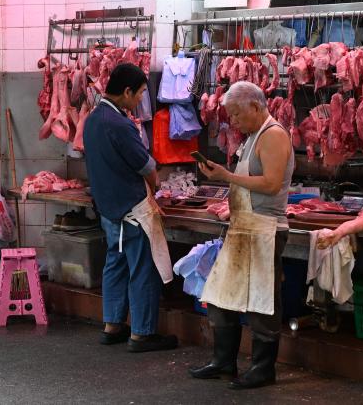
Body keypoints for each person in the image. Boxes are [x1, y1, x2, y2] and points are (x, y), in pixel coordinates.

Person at [189, 81, 294, 389]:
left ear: (255, 106)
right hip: (243, 228)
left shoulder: (273, 135)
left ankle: (263, 368)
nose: (232, 122)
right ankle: (223, 362)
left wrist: (226, 175)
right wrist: (224, 177)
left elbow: (272, 184)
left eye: (236, 114)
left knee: (262, 301)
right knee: (221, 296)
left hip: (264, 229)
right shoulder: (251, 138)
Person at [83, 63, 178, 353]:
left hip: (108, 207)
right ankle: (142, 334)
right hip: (131, 208)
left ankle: (112, 325)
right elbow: (146, 166)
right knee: (142, 268)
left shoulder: (93, 119)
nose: (139, 101)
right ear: (126, 92)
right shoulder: (120, 124)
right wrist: (159, 186)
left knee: (116, 262)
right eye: (138, 95)